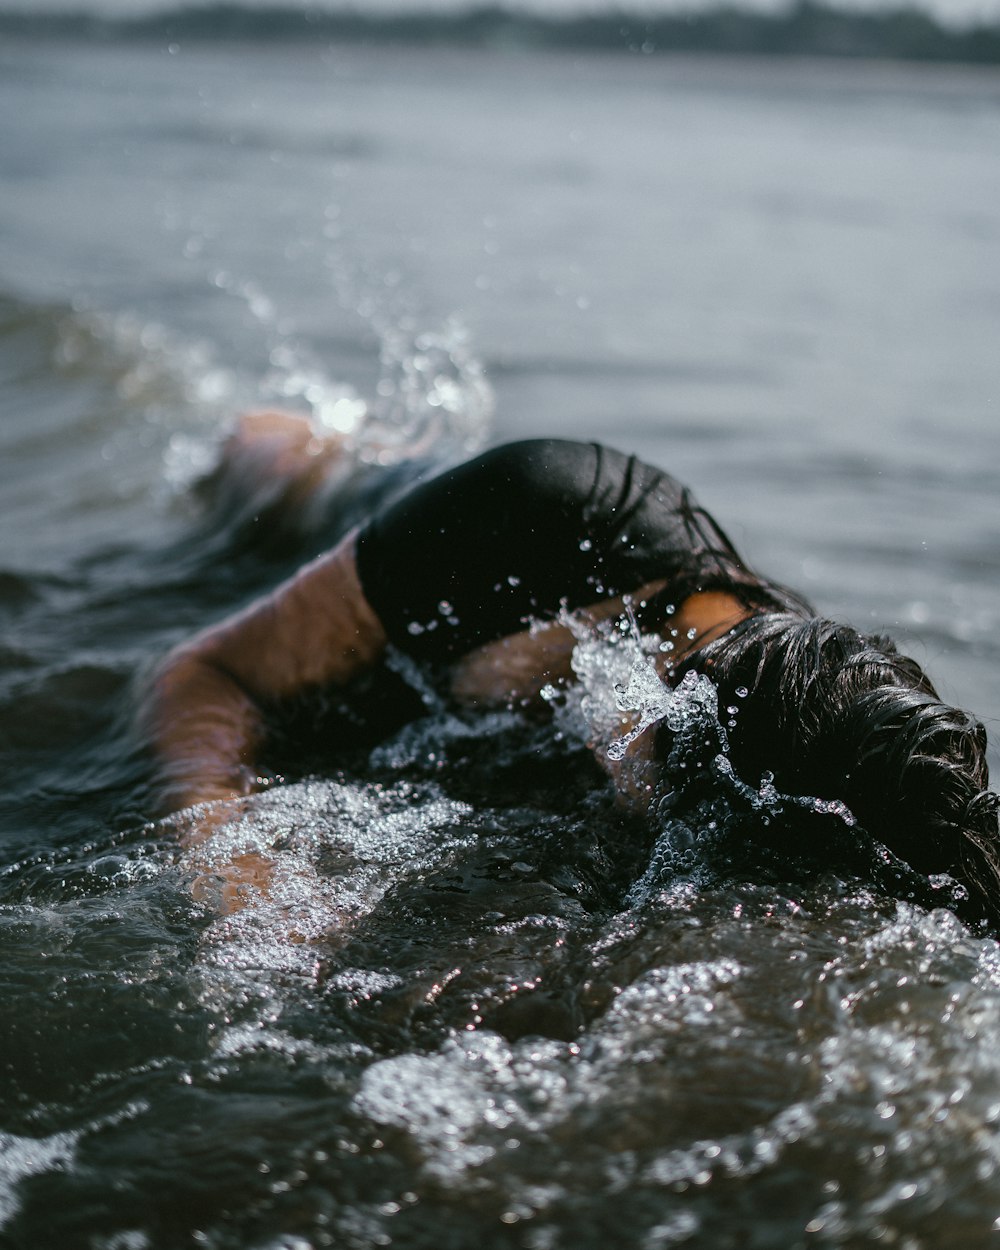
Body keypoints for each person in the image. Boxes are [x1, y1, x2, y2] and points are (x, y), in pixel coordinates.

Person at [142, 412, 1000, 923]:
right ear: (660, 726)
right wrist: (237, 863)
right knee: (276, 454)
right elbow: (203, 675)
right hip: (314, 518)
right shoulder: (546, 509)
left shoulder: (811, 723)